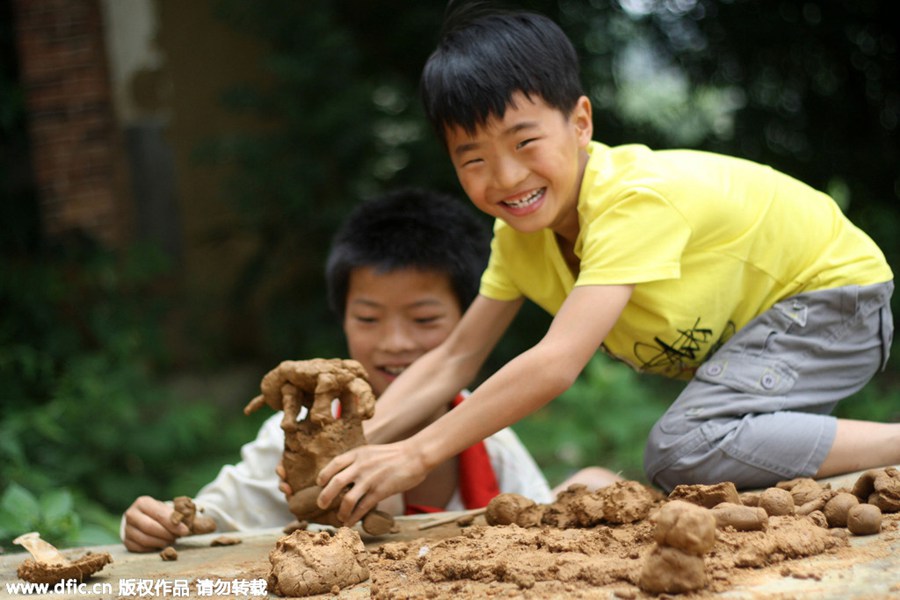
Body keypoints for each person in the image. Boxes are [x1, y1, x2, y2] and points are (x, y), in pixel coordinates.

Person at [314, 6, 897, 528]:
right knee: (705, 461)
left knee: (683, 449)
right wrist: (355, 449)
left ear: (581, 123)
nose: (507, 178)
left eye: (524, 142)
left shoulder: (630, 202)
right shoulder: (520, 237)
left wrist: (416, 453)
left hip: (831, 297)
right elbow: (453, 358)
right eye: (474, 158)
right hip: (762, 332)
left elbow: (557, 362)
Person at [120, 188, 555, 552]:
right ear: (342, 317)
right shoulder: (299, 436)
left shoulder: (490, 436)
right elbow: (212, 517)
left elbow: (544, 528)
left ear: (472, 325)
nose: (395, 342)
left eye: (423, 319)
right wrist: (157, 522)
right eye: (368, 318)